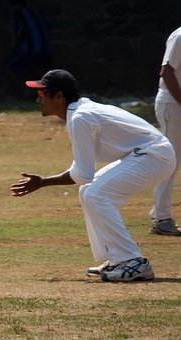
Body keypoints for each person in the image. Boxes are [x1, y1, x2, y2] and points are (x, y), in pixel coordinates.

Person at [10, 69, 174, 282]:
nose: (37, 99)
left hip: (155, 155)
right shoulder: (79, 113)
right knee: (89, 191)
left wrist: (43, 182)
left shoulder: (80, 117)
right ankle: (118, 259)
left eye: (42, 94)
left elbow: (83, 173)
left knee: (95, 193)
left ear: (58, 96)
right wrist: (43, 182)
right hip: (147, 154)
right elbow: (83, 173)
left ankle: (133, 261)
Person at [150, 26, 181, 236]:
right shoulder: (180, 36)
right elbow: (167, 72)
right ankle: (161, 217)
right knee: (171, 159)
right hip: (172, 104)